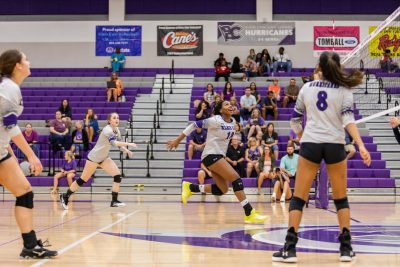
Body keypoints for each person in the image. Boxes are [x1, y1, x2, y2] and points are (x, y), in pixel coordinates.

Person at [272, 51, 371, 263]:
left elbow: (295, 122)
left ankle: (290, 249)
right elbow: (348, 121)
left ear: (320, 67)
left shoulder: (307, 88)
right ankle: (345, 249)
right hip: (335, 145)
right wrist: (360, 145)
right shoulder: (344, 90)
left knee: (298, 198)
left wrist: (303, 137)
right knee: (341, 198)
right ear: (336, 67)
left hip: (311, 145)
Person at [167, 101, 267, 223]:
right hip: (210, 154)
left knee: (222, 190)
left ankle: (191, 187)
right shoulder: (215, 120)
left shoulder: (233, 122)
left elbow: (231, 131)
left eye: (230, 104)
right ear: (220, 110)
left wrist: (240, 127)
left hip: (219, 156)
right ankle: (249, 212)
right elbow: (193, 125)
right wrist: (178, 140)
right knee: (236, 178)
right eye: (226, 104)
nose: (230, 105)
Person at [0, 49, 58, 258]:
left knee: (25, 192)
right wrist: (31, 156)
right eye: (25, 59)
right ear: (17, 65)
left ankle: (30, 245)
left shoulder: (10, 87)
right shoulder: (8, 88)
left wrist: (10, 154)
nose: (29, 62)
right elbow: (9, 126)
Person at [60, 112, 137, 209]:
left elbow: (118, 144)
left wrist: (126, 150)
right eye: (114, 118)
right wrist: (129, 144)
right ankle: (65, 196)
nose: (117, 119)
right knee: (82, 180)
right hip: (94, 158)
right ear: (109, 121)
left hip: (104, 158)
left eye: (118, 117)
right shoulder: (107, 130)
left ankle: (114, 201)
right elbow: (114, 143)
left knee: (117, 176)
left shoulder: (116, 130)